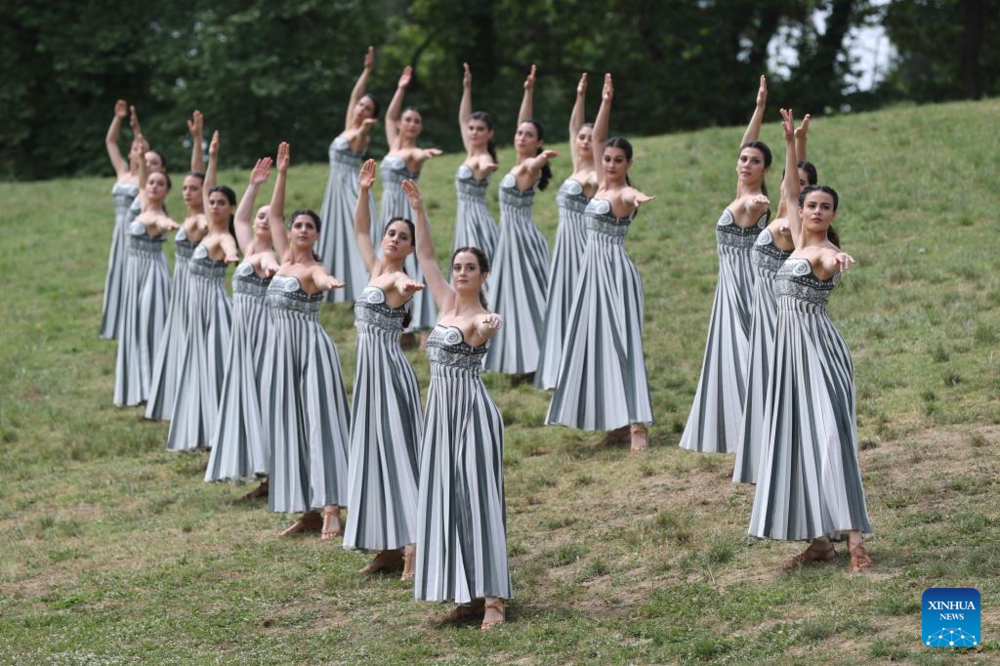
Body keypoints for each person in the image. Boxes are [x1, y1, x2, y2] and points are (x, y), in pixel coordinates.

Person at [749, 109, 872, 574]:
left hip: (819, 354)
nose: (816, 211)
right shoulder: (797, 238)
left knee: (828, 438)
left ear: (833, 215)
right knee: (796, 439)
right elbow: (788, 190)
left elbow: (832, 256)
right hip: (789, 356)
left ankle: (856, 540)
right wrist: (791, 144)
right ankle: (819, 542)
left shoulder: (822, 252)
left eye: (825, 208)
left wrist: (840, 256)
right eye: (811, 205)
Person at [407, 178, 509, 631]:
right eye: (459, 266)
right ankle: (466, 595)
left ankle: (494, 601)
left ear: (484, 275)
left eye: (471, 267)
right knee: (448, 500)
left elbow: (487, 328)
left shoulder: (477, 316)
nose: (462, 271)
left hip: (472, 417)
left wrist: (488, 327)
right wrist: (419, 210)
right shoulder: (446, 302)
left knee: (479, 500)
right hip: (440, 420)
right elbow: (426, 257)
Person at [546, 74, 655, 453]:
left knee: (624, 344)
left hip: (616, 275)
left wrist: (638, 195)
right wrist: (604, 101)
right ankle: (617, 423)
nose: (609, 163)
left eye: (617, 160)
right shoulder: (599, 184)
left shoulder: (623, 192)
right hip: (590, 275)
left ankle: (639, 425)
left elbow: (632, 193)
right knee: (598, 345)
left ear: (628, 163)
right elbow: (593, 138)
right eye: (607, 158)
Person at [263, 143, 351, 540]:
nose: (300, 230)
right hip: (281, 353)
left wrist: (330, 283)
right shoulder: (283, 259)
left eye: (308, 227)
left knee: (319, 422)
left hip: (310, 352)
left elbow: (321, 281)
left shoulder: (315, 268)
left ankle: (332, 507)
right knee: (292, 424)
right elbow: (276, 214)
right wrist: (281, 174)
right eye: (298, 226)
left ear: (316, 235)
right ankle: (308, 509)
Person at [680, 75, 771, 455]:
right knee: (735, 367)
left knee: (749, 365)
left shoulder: (754, 202)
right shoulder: (742, 188)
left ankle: (762, 442)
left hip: (747, 292)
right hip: (728, 290)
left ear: (766, 170)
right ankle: (750, 440)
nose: (746, 164)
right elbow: (747, 144)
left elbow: (758, 207)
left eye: (755, 162)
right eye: (743, 159)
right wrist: (760, 107)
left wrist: (763, 208)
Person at [343, 158, 425, 580]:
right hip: (369, 379)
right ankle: (388, 547)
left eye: (402, 236)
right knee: (373, 455)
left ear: (411, 248)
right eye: (391, 233)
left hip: (390, 377)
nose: (394, 239)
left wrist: (409, 287)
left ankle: (414, 543)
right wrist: (363, 192)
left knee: (397, 453)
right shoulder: (377, 269)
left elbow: (405, 287)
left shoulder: (397, 279)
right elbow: (359, 230)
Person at [734, 113, 816, 483]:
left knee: (774, 385)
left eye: (802, 186)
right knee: (762, 385)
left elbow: (796, 189)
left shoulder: (789, 224)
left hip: (775, 316)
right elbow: (791, 177)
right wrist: (794, 142)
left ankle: (780, 461)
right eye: (789, 179)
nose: (791, 186)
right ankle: (764, 458)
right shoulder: (776, 213)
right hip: (759, 308)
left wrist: (790, 145)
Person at [205, 157, 280, 492]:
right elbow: (243, 217)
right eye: (259, 215)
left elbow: (269, 263)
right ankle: (260, 467)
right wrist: (254, 185)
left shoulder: (274, 256)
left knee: (263, 394)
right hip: (242, 333)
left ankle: (273, 469)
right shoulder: (248, 246)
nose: (261, 219)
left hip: (264, 332)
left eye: (270, 216)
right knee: (244, 395)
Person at [482, 64, 557, 377]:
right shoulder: (518, 162)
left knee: (530, 299)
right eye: (519, 134)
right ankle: (519, 360)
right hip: (509, 240)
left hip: (523, 241)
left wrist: (540, 158)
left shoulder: (530, 167)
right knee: (511, 298)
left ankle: (540, 360)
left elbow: (534, 164)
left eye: (529, 135)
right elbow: (523, 122)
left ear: (537, 142)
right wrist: (528, 91)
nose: (522, 137)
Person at [167, 131, 236, 452]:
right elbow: (206, 187)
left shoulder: (221, 236)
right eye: (213, 203)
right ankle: (203, 428)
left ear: (231, 209)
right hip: (195, 304)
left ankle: (222, 428)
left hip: (214, 307)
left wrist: (234, 255)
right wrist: (210, 154)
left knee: (215, 365)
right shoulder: (203, 223)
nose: (215, 206)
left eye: (222, 203)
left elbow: (230, 246)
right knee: (199, 363)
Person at [535, 72, 597, 390]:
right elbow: (573, 126)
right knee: (561, 305)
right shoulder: (577, 166)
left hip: (582, 246)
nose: (583, 141)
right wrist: (580, 96)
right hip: (564, 244)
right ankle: (563, 371)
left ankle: (583, 370)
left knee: (579, 305)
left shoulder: (596, 175)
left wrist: (604, 105)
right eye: (581, 138)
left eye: (590, 138)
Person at [146, 111, 208, 421]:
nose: (187, 192)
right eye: (184, 188)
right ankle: (176, 403)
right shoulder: (188, 214)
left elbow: (202, 178)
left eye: (193, 189)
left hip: (195, 286)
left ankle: (194, 407)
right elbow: (196, 178)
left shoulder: (202, 219)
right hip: (180, 282)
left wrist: (199, 142)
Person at [375, 66, 443, 346]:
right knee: (387, 261)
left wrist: (425, 154)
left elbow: (417, 154)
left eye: (417, 121)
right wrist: (401, 87)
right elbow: (389, 115)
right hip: (388, 210)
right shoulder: (393, 144)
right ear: (401, 124)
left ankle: (420, 325)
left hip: (405, 211)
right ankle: (392, 317)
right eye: (408, 120)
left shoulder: (413, 153)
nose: (412, 124)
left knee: (412, 263)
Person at [113, 154, 178, 406]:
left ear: (166, 191)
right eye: (151, 182)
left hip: (152, 274)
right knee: (135, 326)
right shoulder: (140, 202)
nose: (153, 186)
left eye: (160, 184)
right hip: (134, 274)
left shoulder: (158, 214)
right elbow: (141, 181)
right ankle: (138, 386)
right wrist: (139, 153)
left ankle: (156, 388)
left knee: (152, 327)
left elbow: (160, 221)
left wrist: (169, 224)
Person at [316, 46, 378, 303]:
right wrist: (366, 71)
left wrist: (364, 128)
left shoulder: (359, 134)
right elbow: (355, 96)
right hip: (336, 189)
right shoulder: (347, 127)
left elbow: (362, 135)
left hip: (351, 189)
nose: (361, 108)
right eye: (361, 106)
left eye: (367, 108)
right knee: (337, 235)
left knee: (357, 238)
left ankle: (370, 287)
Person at [99, 99, 143, 340]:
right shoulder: (122, 171)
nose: (139, 150)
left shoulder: (147, 180)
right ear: (130, 152)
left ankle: (135, 324)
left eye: (142, 148)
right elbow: (110, 141)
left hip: (135, 233)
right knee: (117, 273)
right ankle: (116, 324)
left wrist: (137, 130)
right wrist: (118, 118)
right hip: (119, 232)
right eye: (135, 147)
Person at [452, 63, 500, 260]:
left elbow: (483, 167)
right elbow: (463, 119)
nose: (473, 132)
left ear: (490, 133)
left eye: (480, 129)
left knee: (475, 268)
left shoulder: (483, 157)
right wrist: (467, 88)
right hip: (464, 218)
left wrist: (485, 168)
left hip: (476, 220)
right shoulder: (471, 150)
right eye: (472, 129)